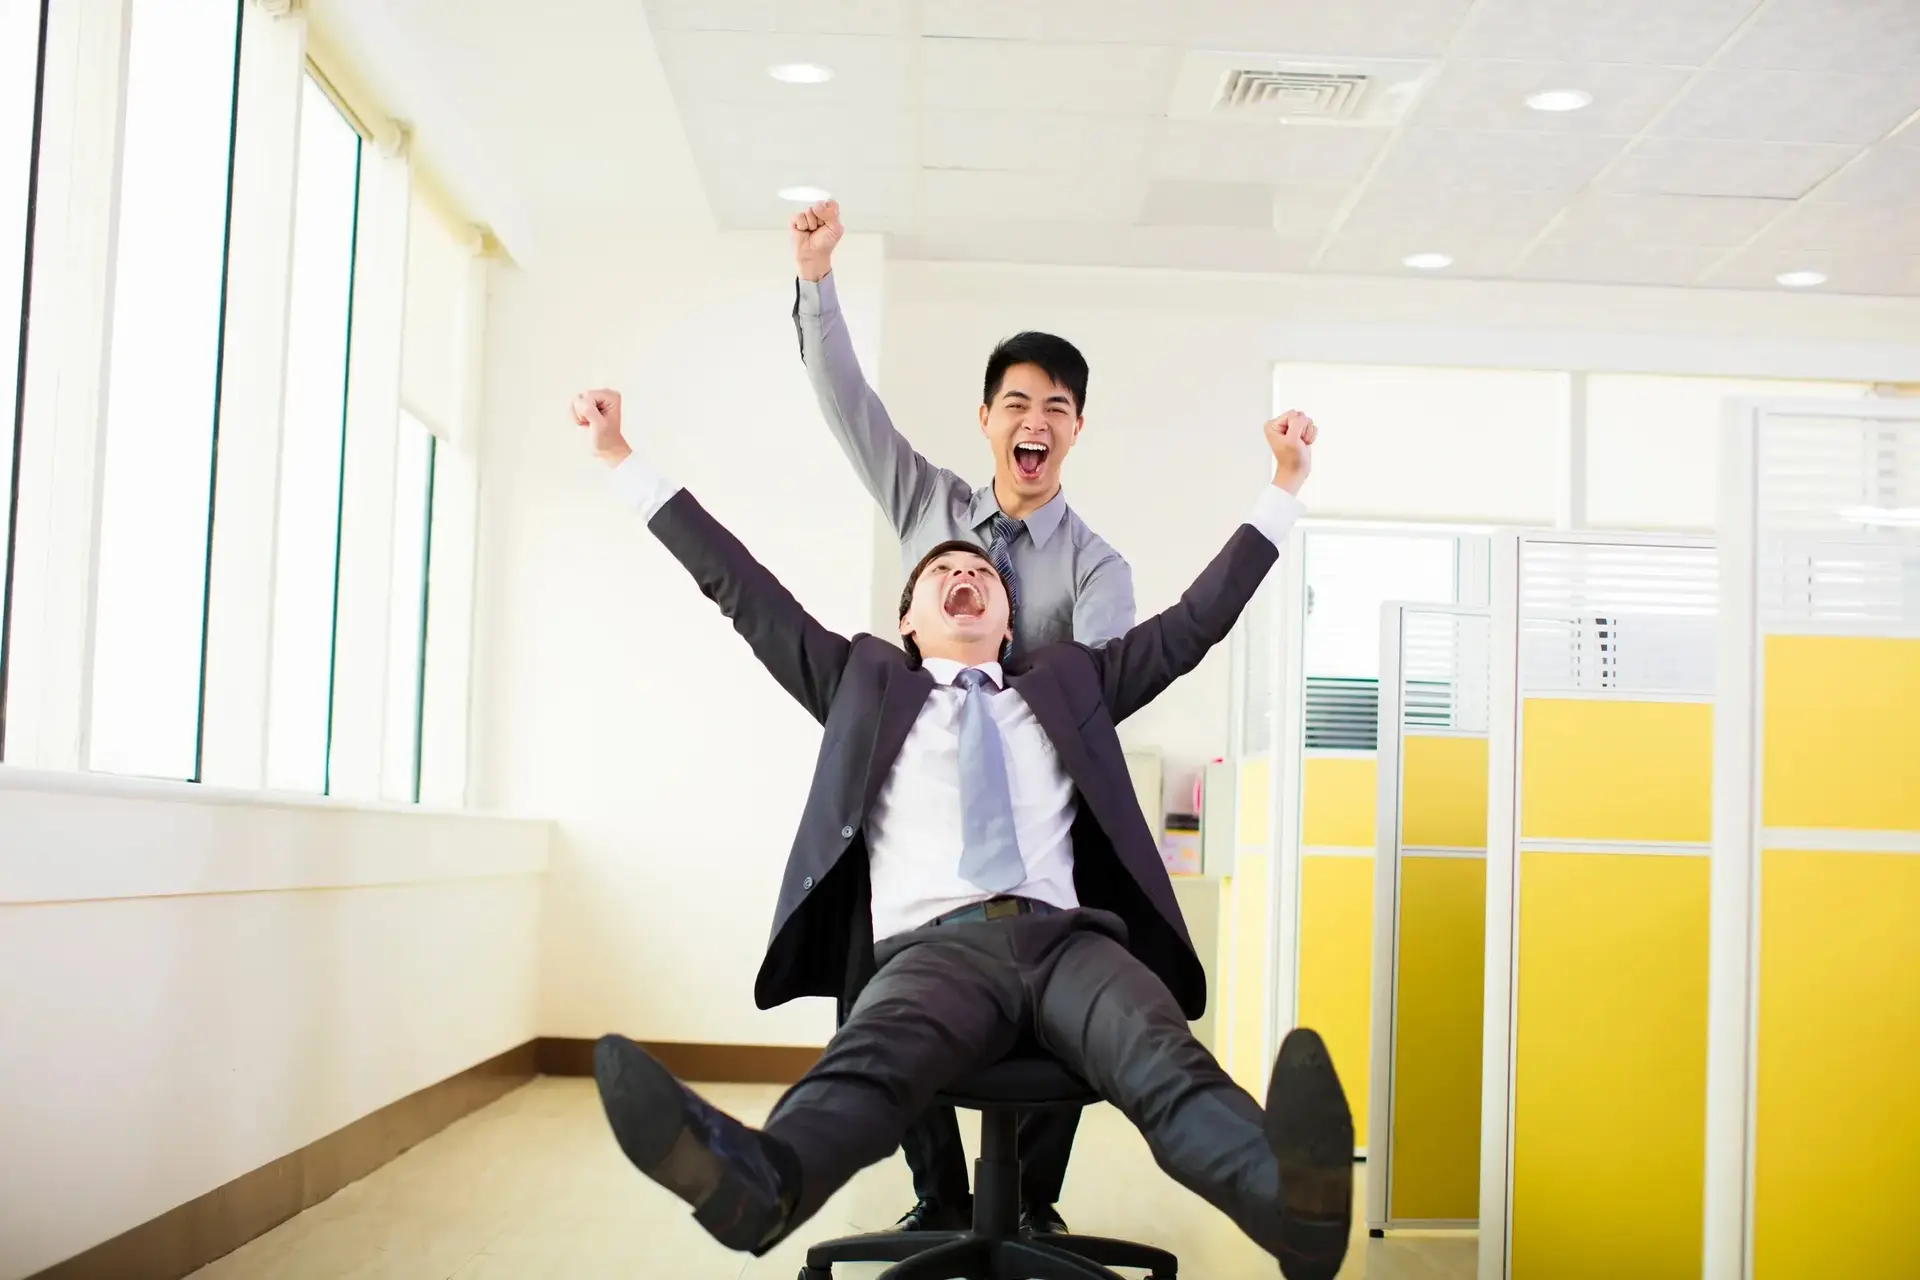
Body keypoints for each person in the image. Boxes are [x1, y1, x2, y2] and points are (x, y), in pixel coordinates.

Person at [566, 388, 1353, 1280]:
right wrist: (621, 459)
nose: (966, 575)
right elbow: (740, 588)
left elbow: (1193, 625)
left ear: (1010, 620)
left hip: (1070, 946)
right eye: (942, 574)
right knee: (867, 1065)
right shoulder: (861, 682)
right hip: (935, 953)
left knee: (1164, 1059)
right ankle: (762, 1180)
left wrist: (1284, 487)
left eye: (982, 574)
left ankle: (1285, 1196)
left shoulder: (1067, 684)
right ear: (909, 620)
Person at [790, 197, 1127, 1233]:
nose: (1036, 419)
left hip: (1038, 827)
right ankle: (939, 1191)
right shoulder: (925, 501)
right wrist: (815, 279)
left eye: (1057, 405)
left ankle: (1030, 1200)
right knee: (870, 956)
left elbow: (1102, 693)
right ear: (987, 419)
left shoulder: (1097, 566)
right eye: (1017, 401)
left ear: (1075, 429)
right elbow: (846, 399)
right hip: (919, 817)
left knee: (1100, 936)